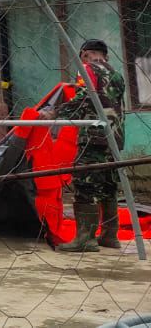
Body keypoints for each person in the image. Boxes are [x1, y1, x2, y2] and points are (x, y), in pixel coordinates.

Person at [39, 39, 125, 251]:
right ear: (106, 55)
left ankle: (85, 239)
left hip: (93, 135)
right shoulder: (116, 73)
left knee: (85, 184)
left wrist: (55, 113)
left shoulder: (87, 69)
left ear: (85, 54)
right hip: (114, 136)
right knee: (108, 184)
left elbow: (84, 97)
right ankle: (110, 235)